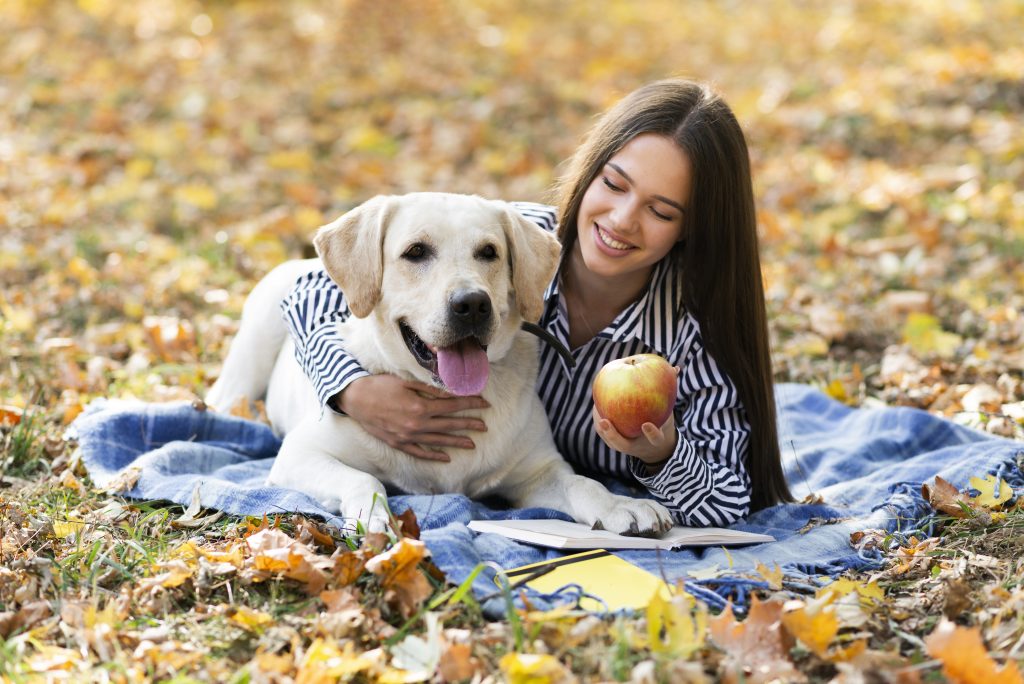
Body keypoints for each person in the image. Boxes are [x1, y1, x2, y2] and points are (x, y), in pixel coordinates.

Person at [281, 79, 793, 527]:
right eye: (614, 184)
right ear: (591, 171)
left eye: (660, 211)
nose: (621, 220)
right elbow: (303, 288)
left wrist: (662, 455)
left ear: (690, 229)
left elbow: (729, 498)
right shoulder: (524, 229)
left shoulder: (689, 329)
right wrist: (349, 391)